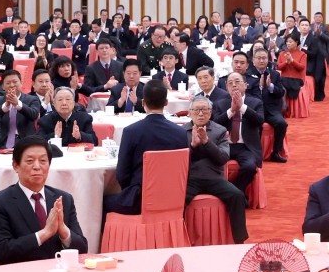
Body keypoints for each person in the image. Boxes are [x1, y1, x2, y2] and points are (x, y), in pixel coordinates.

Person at [0, 136, 89, 264]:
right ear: (16, 166)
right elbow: (2, 252)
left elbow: (82, 249)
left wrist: (63, 230)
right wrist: (45, 233)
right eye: (30, 161)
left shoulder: (64, 199)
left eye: (43, 161)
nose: (37, 167)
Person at [106, 82, 188, 215]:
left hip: (138, 201)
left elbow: (122, 174)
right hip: (173, 199)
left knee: (103, 202)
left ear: (143, 102)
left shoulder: (131, 131)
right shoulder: (181, 133)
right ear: (166, 103)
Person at [183, 98, 248, 243]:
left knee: (237, 195)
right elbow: (179, 160)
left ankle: (239, 240)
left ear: (210, 113)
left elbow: (223, 158)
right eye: (196, 110)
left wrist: (206, 142)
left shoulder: (220, 131)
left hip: (214, 178)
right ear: (190, 113)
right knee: (176, 199)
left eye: (204, 110)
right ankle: (180, 238)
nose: (200, 114)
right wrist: (193, 146)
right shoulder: (182, 131)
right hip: (190, 178)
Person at [212, 72, 265, 198]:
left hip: (246, 146)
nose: (234, 85)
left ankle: (237, 193)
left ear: (245, 85)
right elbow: (214, 125)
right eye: (230, 83)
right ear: (226, 87)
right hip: (225, 145)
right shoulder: (220, 103)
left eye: (237, 82)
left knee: (250, 167)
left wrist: (242, 108)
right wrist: (231, 111)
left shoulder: (256, 102)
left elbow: (260, 121)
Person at [247, 47, 290, 163]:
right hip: (255, 109)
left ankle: (276, 152)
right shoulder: (248, 75)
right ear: (253, 60)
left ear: (268, 59)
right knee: (256, 126)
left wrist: (270, 86)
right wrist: (259, 88)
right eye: (259, 58)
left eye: (264, 58)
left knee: (282, 124)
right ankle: (255, 153)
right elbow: (246, 95)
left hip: (271, 109)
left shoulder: (274, 74)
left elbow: (281, 92)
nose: (261, 61)